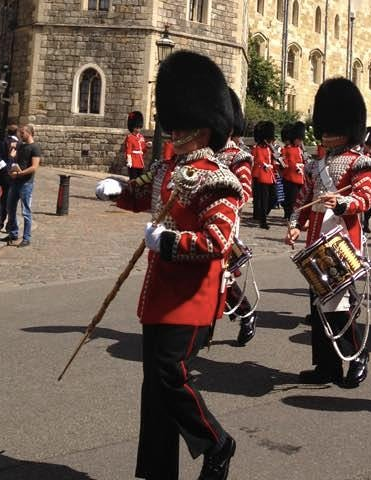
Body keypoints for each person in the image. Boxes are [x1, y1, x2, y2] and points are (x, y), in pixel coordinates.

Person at [114, 50, 239, 480]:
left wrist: (170, 242)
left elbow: (217, 241)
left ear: (204, 127)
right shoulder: (169, 167)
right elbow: (143, 197)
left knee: (171, 376)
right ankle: (156, 471)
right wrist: (115, 191)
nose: (174, 128)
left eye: (182, 123)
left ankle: (215, 442)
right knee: (155, 390)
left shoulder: (218, 177)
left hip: (192, 296)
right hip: (160, 292)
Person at [286, 77, 371, 388]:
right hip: (316, 240)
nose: (324, 132)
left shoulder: (359, 162)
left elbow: (365, 197)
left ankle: (356, 356)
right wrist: (295, 226)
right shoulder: (317, 165)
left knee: (339, 306)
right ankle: (326, 366)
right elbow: (303, 201)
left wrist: (342, 203)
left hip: (342, 241)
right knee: (318, 305)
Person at [216, 87, 258, 346]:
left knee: (222, 274)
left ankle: (245, 312)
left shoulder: (237, 156)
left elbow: (244, 191)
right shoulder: (209, 152)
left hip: (226, 222)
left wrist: (221, 206)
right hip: (203, 221)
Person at [6, 124, 41, 247]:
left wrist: (21, 173)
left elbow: (34, 167)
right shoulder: (20, 146)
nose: (20, 135)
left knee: (26, 211)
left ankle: (26, 237)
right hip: (16, 181)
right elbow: (16, 161)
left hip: (26, 183)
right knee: (10, 208)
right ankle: (13, 232)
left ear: (29, 133)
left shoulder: (35, 147)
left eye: (22, 133)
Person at [251, 121, 277, 229]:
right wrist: (264, 165)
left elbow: (271, 160)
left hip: (269, 175)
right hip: (260, 175)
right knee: (263, 199)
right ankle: (263, 220)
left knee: (273, 197)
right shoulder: (257, 148)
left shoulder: (268, 148)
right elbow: (256, 161)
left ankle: (263, 215)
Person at [280, 122, 306, 220]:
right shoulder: (287, 149)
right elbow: (286, 163)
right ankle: (289, 215)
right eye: (299, 139)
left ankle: (295, 216)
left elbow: (303, 161)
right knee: (290, 199)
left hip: (300, 177)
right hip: (290, 177)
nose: (300, 141)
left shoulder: (300, 150)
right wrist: (295, 166)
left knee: (298, 199)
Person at [125, 111, 147, 179]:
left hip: (140, 162)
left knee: (140, 180)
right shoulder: (130, 137)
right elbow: (128, 150)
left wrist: (147, 146)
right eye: (136, 127)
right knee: (133, 180)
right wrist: (129, 161)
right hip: (133, 162)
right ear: (132, 127)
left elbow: (143, 150)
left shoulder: (141, 137)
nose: (138, 129)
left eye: (139, 127)